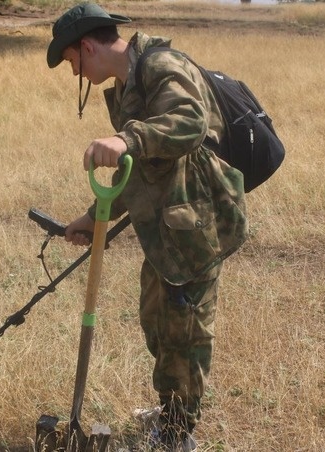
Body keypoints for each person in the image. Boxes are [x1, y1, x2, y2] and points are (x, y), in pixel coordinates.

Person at [46, 3, 248, 450]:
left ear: (86, 46)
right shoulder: (127, 84)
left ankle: (178, 434)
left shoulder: (160, 64)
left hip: (195, 228)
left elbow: (190, 122)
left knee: (184, 334)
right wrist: (96, 214)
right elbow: (138, 167)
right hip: (165, 231)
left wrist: (126, 137)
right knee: (158, 323)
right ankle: (170, 408)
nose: (74, 73)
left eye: (72, 63)